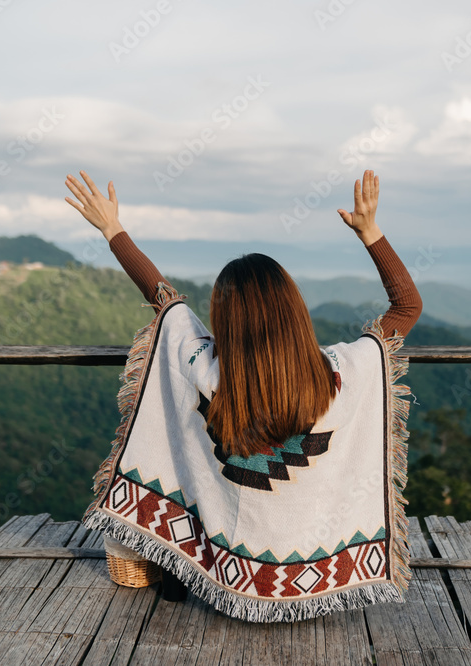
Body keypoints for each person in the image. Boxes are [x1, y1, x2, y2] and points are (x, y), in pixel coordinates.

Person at [66, 169, 423, 620]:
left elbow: (165, 301)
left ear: (224, 319)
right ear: (294, 310)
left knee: (180, 453)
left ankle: (174, 563)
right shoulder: (339, 377)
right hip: (313, 589)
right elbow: (407, 305)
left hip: (218, 582)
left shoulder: (205, 370)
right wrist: (370, 231)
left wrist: (113, 230)